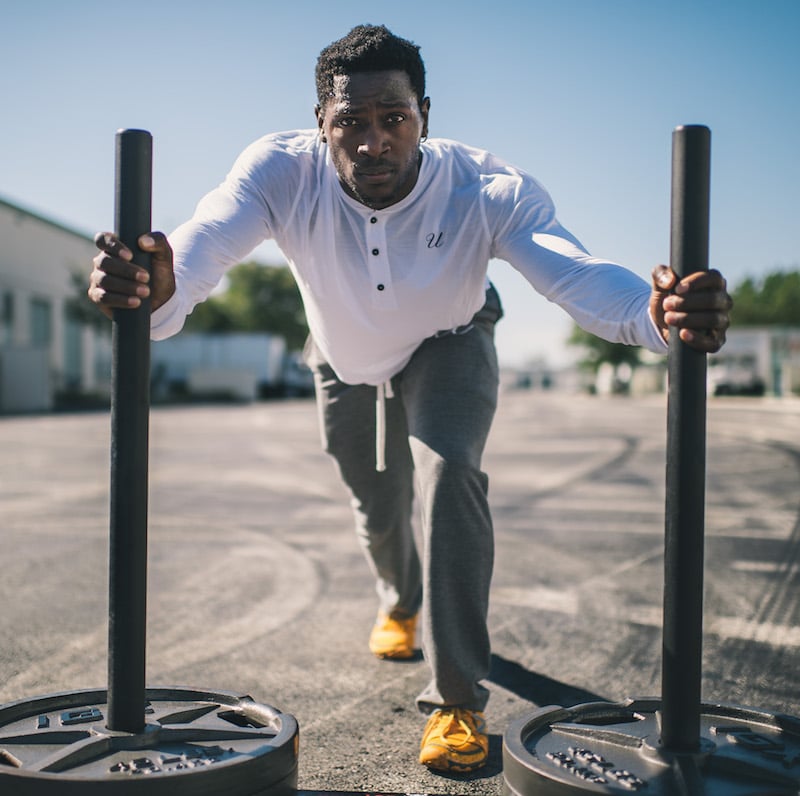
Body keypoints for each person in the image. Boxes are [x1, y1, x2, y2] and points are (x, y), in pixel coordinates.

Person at [88, 24, 732, 773]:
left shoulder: (484, 188)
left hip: (449, 338)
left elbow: (576, 273)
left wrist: (656, 314)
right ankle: (400, 598)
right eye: (350, 123)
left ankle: (457, 699)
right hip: (341, 352)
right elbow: (200, 249)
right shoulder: (277, 173)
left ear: (424, 114)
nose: (372, 142)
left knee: (447, 471)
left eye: (393, 119)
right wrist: (160, 288)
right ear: (320, 126)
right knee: (375, 498)